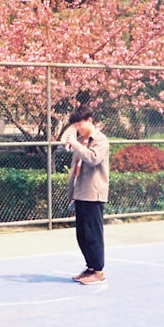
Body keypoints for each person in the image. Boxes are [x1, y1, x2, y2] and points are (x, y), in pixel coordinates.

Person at [65, 105, 110, 285]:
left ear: (89, 120)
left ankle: (98, 271)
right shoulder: (80, 140)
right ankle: (90, 267)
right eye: (75, 125)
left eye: (80, 124)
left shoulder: (100, 140)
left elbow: (93, 159)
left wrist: (75, 144)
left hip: (93, 193)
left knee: (93, 235)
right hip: (80, 192)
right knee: (82, 235)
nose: (78, 128)